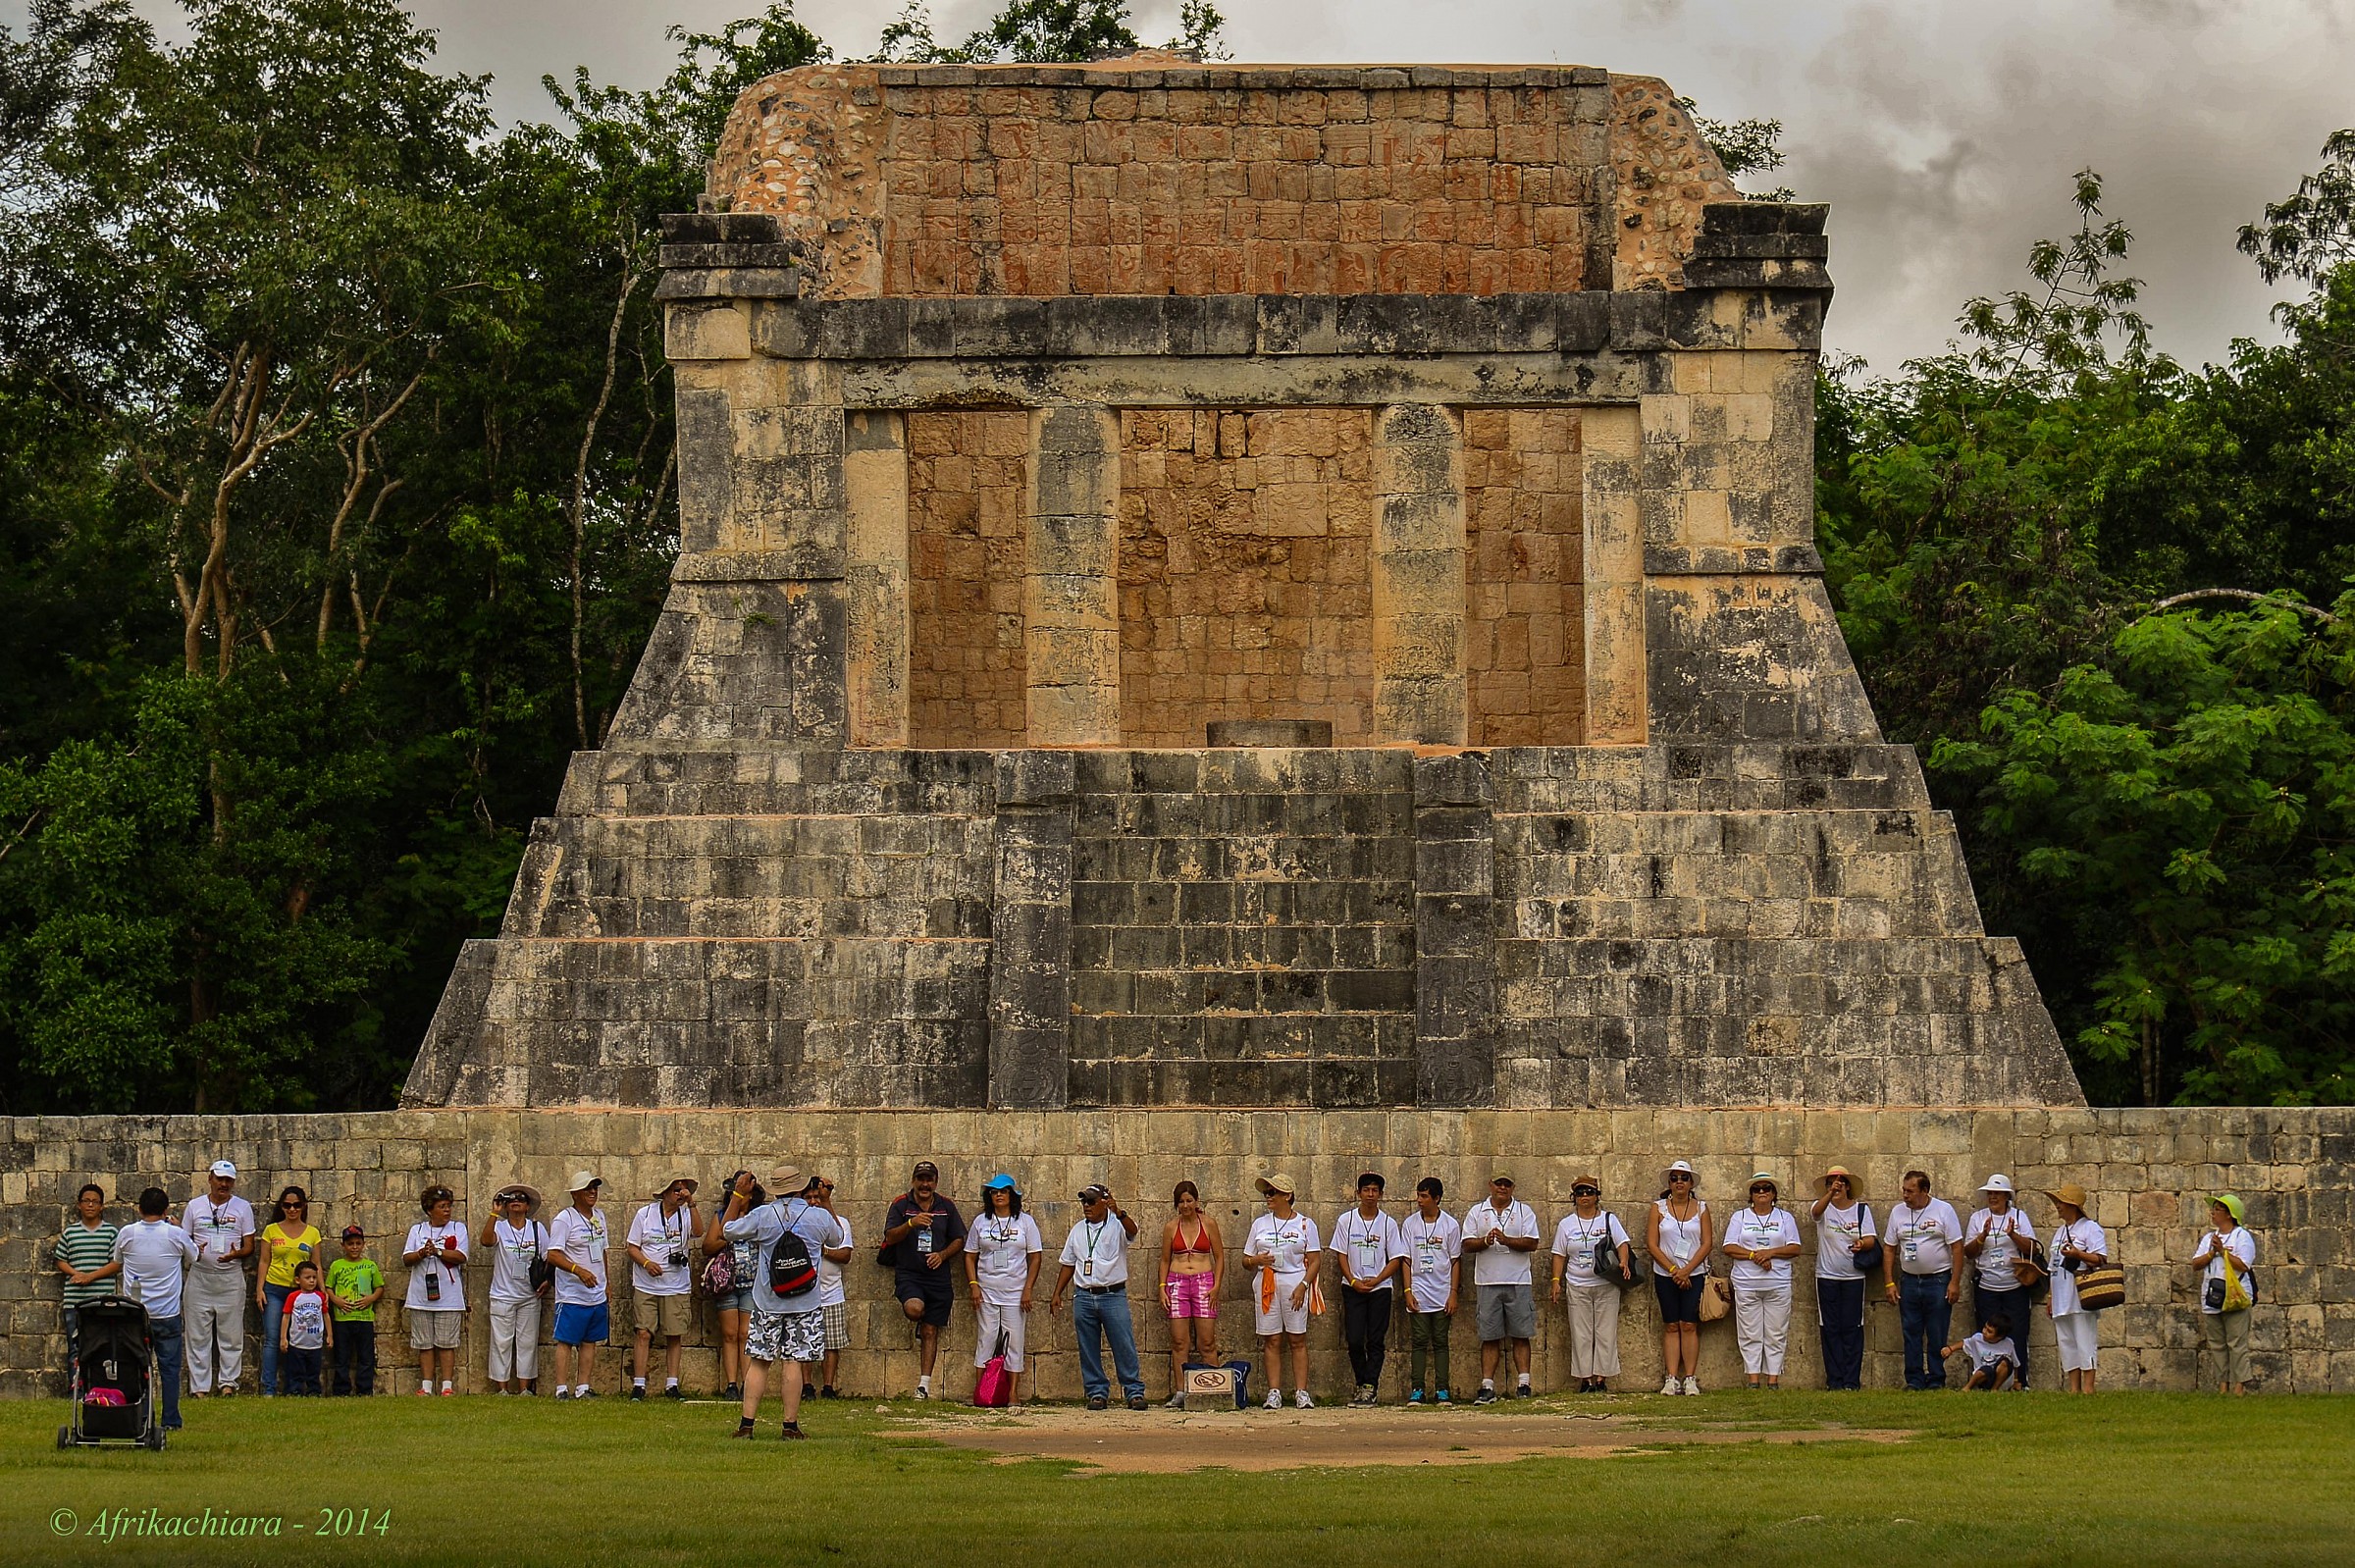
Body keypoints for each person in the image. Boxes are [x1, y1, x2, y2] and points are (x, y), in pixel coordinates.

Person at [720, 1166, 839, 1438]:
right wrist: (827, 1200)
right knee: (793, 1362)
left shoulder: (762, 1215)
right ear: (799, 1188)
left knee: (760, 1361)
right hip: (805, 1301)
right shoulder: (817, 1216)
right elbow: (837, 1237)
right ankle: (790, 1426)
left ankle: (746, 1425)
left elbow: (728, 1230)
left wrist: (738, 1194)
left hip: (768, 1299)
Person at [1048, 1182, 1147, 1410]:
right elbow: (1068, 1264)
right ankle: (1096, 1391)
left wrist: (1119, 1212)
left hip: (1112, 1294)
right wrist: (1057, 1293)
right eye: (1084, 1201)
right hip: (1084, 1295)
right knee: (1088, 1346)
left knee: (1123, 1343)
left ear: (1105, 1201)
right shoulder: (1077, 1230)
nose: (1086, 1206)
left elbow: (1133, 1231)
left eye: (1091, 1201)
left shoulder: (1117, 1225)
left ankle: (1133, 1391)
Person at [111, 1186, 196, 1431]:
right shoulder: (174, 1234)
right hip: (167, 1312)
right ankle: (170, 1420)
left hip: (135, 1313)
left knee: (136, 1368)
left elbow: (118, 1260)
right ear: (166, 1210)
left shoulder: (128, 1233)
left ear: (139, 1209)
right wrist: (179, 1228)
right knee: (169, 1370)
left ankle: (140, 1415)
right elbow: (195, 1256)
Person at [880, 1161, 967, 1399]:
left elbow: (959, 1238)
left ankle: (923, 1385)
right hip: (910, 1273)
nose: (925, 1184)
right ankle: (918, 1316)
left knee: (930, 1330)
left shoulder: (946, 1206)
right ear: (913, 1181)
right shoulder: (901, 1205)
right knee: (915, 1309)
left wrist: (942, 1255)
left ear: (935, 1183)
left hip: (938, 1277)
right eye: (921, 1179)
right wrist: (911, 1223)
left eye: (929, 1179)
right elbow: (889, 1236)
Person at [1244, 1173, 1324, 1409]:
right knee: (1272, 1338)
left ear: (1287, 1196)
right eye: (1266, 1193)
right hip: (1267, 1281)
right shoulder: (1260, 1224)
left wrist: (1304, 1285)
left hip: (1294, 1281)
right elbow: (1245, 1260)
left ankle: (1301, 1391)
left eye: (1272, 1192)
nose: (1268, 1197)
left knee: (1297, 1338)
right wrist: (1256, 1259)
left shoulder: (1305, 1224)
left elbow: (1315, 1259)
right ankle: (1274, 1391)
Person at [1548, 1174, 1631, 1393]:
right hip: (1577, 1283)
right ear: (1574, 1197)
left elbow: (1622, 1243)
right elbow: (1559, 1254)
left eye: (1589, 1192)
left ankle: (1602, 1378)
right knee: (1581, 1333)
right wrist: (1556, 1281)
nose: (1585, 1196)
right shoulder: (1567, 1224)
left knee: (1605, 1331)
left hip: (1605, 1283)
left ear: (1597, 1195)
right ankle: (1585, 1379)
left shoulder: (1608, 1219)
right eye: (1580, 1193)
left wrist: (1624, 1261)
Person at [1720, 1173, 1804, 1389]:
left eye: (1766, 1188)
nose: (1762, 1193)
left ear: (1774, 1194)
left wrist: (1770, 1253)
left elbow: (1795, 1247)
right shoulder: (1740, 1217)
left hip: (1777, 1283)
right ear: (1751, 1195)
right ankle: (1753, 1378)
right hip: (1747, 1283)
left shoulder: (1785, 1218)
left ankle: (1773, 1378)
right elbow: (1729, 1246)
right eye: (1757, 1189)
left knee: (1776, 1332)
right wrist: (1754, 1256)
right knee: (1749, 1332)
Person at [965, 1174, 1043, 1403]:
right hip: (987, 1290)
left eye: (1003, 1191)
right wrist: (974, 1285)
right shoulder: (981, 1221)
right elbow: (970, 1257)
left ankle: (1012, 1393)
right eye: (994, 1192)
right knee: (986, 1338)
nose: (999, 1195)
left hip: (1015, 1292)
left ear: (1012, 1195)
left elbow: (1035, 1257)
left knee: (1014, 1341)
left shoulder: (1025, 1222)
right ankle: (981, 1391)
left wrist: (1028, 1288)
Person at [1462, 1173, 1540, 1403]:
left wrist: (1507, 1240)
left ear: (1513, 1187)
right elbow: (1466, 1244)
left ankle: (1524, 1383)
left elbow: (1532, 1243)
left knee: (1521, 1334)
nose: (1502, 1188)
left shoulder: (1524, 1211)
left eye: (1507, 1184)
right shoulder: (1477, 1212)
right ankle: (1487, 1386)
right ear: (1490, 1185)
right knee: (1489, 1336)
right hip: (1487, 1281)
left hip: (1518, 1280)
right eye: (1498, 1183)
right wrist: (1485, 1241)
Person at [181, 1159, 254, 1398]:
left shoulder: (242, 1207)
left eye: (228, 1180)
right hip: (200, 1277)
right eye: (220, 1179)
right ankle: (199, 1387)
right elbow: (184, 1240)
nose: (224, 1184)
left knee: (231, 1334)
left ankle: (228, 1384)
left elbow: (249, 1246)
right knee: (197, 1335)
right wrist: (196, 1251)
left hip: (230, 1278)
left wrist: (236, 1254)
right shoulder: (194, 1206)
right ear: (210, 1178)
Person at [1884, 1170, 1963, 1390]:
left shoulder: (1943, 1210)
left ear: (1925, 1191)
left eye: (1910, 1191)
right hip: (1909, 1281)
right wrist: (1889, 1282)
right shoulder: (1898, 1212)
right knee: (1911, 1331)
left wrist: (1954, 1282)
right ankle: (1914, 1379)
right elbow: (1889, 1249)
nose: (1905, 1195)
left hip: (1938, 1280)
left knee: (1937, 1331)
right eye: (1903, 1190)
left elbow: (1957, 1248)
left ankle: (1936, 1378)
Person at [1333, 1173, 1404, 1405]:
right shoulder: (1347, 1220)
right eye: (1366, 1190)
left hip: (1380, 1288)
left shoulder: (1387, 1223)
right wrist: (1353, 1280)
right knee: (1354, 1339)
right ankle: (1360, 1382)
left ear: (1381, 1194)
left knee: (1375, 1339)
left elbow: (1395, 1258)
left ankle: (1370, 1386)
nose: (1370, 1195)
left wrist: (1377, 1280)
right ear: (1358, 1193)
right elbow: (1340, 1254)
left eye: (1375, 1190)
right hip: (1353, 1287)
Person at [1962, 1175, 2039, 1390]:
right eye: (1990, 1193)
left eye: (1997, 1193)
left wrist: (2013, 1234)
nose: (1992, 1197)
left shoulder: (2019, 1216)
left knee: (2018, 1334)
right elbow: (1969, 1253)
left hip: (2015, 1287)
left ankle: (2019, 1382)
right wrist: (1982, 1236)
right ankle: (1987, 1383)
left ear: (2007, 1196)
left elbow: (2032, 1249)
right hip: (1987, 1287)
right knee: (1986, 1337)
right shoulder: (1978, 1218)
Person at [627, 1176, 699, 1400]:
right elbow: (631, 1247)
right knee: (643, 1332)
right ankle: (639, 1384)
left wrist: (692, 1204)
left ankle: (672, 1384)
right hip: (647, 1284)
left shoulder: (686, 1213)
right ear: (665, 1193)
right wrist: (647, 1263)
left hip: (676, 1285)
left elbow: (698, 1232)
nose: (680, 1194)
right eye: (677, 1190)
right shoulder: (645, 1214)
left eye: (684, 1190)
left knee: (674, 1333)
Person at [1647, 1160, 1712, 1396]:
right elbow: (1652, 1244)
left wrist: (1687, 1270)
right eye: (1674, 1179)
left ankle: (1690, 1378)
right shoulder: (1658, 1208)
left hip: (1694, 1273)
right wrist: (1675, 1271)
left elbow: (1707, 1243)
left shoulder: (1701, 1208)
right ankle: (1672, 1378)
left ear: (1691, 1182)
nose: (1679, 1183)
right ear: (1669, 1183)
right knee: (1672, 1325)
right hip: (1666, 1274)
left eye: (1684, 1178)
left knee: (1689, 1324)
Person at [1808, 1166, 1877, 1390]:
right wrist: (1829, 1194)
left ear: (1848, 1187)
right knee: (1830, 1328)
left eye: (1839, 1183)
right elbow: (1815, 1213)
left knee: (1852, 1328)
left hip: (1853, 1277)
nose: (1835, 1187)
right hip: (1826, 1276)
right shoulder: (1824, 1209)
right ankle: (1834, 1380)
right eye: (1830, 1184)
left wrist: (1861, 1244)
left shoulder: (1860, 1210)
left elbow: (1870, 1239)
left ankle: (1851, 1380)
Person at [1158, 1179, 1225, 1409]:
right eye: (1181, 1202)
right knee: (1179, 1341)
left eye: (1189, 1201)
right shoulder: (1170, 1227)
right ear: (1176, 1204)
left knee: (1207, 1341)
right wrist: (1162, 1287)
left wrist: (1216, 1285)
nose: (1185, 1206)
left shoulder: (1208, 1224)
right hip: (1177, 1282)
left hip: (1203, 1280)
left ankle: (1215, 1388)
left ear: (1196, 1201)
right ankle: (1181, 1391)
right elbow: (1165, 1259)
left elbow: (1220, 1256)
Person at [547, 1171, 611, 1400]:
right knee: (566, 1340)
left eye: (595, 1188)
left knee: (590, 1340)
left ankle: (583, 1386)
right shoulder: (565, 1219)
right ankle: (561, 1388)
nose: (593, 1192)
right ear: (575, 1194)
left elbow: (603, 1250)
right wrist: (578, 1270)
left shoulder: (599, 1216)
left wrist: (606, 1282)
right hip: (572, 1293)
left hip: (596, 1291)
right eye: (588, 1188)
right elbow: (553, 1255)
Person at [479, 1184, 548, 1395]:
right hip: (503, 1294)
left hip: (529, 1295)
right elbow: (486, 1241)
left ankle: (525, 1387)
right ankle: (502, 1388)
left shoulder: (537, 1229)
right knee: (501, 1342)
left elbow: (548, 1257)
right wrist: (494, 1213)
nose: (515, 1201)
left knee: (527, 1342)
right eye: (511, 1199)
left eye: (521, 1198)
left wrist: (548, 1281)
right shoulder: (500, 1227)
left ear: (527, 1206)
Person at [701, 1169, 763, 1400]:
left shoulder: (757, 1217)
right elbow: (707, 1246)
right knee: (729, 1334)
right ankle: (731, 1384)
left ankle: (748, 1382)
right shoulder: (721, 1216)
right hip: (726, 1281)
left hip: (751, 1280)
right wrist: (728, 1236)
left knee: (745, 1332)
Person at [255, 1185, 322, 1397]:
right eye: (287, 1205)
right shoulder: (271, 1230)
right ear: (281, 1207)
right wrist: (259, 1289)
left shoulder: (312, 1233)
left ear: (303, 1207)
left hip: (302, 1293)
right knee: (273, 1339)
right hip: (275, 1288)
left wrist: (322, 1291)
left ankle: (296, 1387)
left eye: (296, 1205)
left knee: (300, 1340)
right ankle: (269, 1387)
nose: (292, 1209)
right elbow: (264, 1261)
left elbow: (316, 1264)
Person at [1399, 1176, 1461, 1405]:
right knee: (1419, 1340)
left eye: (1424, 1196)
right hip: (1418, 1292)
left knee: (1441, 1341)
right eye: (1418, 1195)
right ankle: (1417, 1388)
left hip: (1442, 1291)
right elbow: (1405, 1260)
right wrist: (1407, 1290)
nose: (1419, 1201)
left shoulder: (1450, 1225)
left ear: (1437, 1198)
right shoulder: (1410, 1224)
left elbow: (1455, 1261)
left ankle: (1442, 1389)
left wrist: (1453, 1293)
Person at [402, 1185, 469, 1396]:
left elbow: (461, 1256)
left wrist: (439, 1251)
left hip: (448, 1296)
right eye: (442, 1207)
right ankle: (427, 1385)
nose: (447, 1210)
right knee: (425, 1343)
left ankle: (447, 1386)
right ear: (430, 1210)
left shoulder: (458, 1228)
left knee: (446, 1342)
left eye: (448, 1206)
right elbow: (406, 1258)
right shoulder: (418, 1230)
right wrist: (422, 1252)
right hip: (421, 1294)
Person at [2043, 1183, 2109, 1394]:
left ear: (2073, 1205)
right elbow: (2052, 1265)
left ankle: (2088, 1387)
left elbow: (2100, 1258)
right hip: (2061, 1292)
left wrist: (2078, 1255)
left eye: (2061, 1202)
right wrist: (2051, 1296)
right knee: (2066, 1341)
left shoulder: (2090, 1228)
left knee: (2084, 1339)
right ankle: (2074, 1387)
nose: (2058, 1206)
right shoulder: (2060, 1231)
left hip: (2081, 1293)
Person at [2192, 1192, 2258, 1394]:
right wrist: (2212, 1252)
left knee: (2237, 1342)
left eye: (2217, 1210)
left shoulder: (2242, 1237)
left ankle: (2239, 1385)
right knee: (2217, 1343)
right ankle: (2223, 1385)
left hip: (2235, 1295)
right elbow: (2196, 1263)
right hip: (2212, 1296)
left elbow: (2244, 1265)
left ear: (2229, 1214)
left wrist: (2224, 1252)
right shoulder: (2208, 1238)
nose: (2213, 1213)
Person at [55, 1182, 121, 1364]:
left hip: (102, 1300)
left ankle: (98, 1390)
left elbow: (116, 1264)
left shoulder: (111, 1232)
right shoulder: (70, 1232)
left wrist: (90, 1277)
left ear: (101, 1206)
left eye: (95, 1202)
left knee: (103, 1349)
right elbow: (60, 1259)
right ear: (79, 1205)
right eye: (86, 1201)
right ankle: (75, 1389)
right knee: (75, 1348)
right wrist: (76, 1274)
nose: (90, 1205)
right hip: (74, 1301)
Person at [325, 1225, 385, 1396]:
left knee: (365, 1357)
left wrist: (371, 1298)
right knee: (341, 1356)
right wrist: (336, 1300)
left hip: (364, 1318)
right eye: (350, 1244)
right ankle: (341, 1390)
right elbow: (328, 1287)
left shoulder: (370, 1265)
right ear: (343, 1245)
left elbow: (379, 1287)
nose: (354, 1247)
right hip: (342, 1319)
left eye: (358, 1243)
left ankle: (364, 1390)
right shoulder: (337, 1265)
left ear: (363, 1244)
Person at [809, 1176, 854, 1398]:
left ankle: (828, 1387)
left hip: (832, 1293)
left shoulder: (841, 1223)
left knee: (832, 1343)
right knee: (804, 1342)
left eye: (817, 1196)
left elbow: (844, 1252)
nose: (814, 1201)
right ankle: (806, 1386)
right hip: (806, 1293)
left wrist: (823, 1251)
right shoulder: (802, 1222)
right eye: (809, 1197)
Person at [279, 1259, 332, 1396]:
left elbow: (326, 1316)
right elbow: (286, 1317)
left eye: (314, 1277)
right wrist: (283, 1338)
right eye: (307, 1278)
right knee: (296, 1371)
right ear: (298, 1279)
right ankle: (295, 1390)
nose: (312, 1281)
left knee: (314, 1371)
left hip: (315, 1344)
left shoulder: (319, 1297)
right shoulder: (293, 1297)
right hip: (297, 1343)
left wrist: (330, 1335)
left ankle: (314, 1391)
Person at [1945, 1311, 2018, 1390]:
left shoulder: (2008, 1344)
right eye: (1985, 1328)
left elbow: (2015, 1364)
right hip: (1984, 1377)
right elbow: (1964, 1343)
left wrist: (2016, 1381)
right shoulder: (1977, 1339)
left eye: (1989, 1331)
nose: (1984, 1332)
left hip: (2002, 1379)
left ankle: (1995, 1389)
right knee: (1985, 1369)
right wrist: (1950, 1349)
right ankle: (1967, 1388)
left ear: (2000, 1337)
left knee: (2005, 1362)